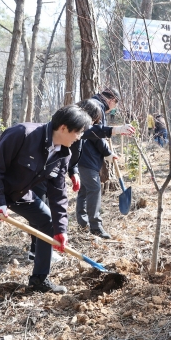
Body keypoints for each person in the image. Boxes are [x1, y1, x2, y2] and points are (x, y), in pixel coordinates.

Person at [0, 105, 91, 336]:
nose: (79, 137)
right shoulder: (22, 134)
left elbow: (58, 194)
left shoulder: (63, 153)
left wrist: (61, 230)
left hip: (19, 194)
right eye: (78, 132)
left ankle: (39, 278)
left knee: (47, 222)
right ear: (63, 127)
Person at [27, 99, 105, 261]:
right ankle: (36, 250)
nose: (92, 125)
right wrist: (118, 130)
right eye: (93, 120)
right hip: (39, 175)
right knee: (42, 213)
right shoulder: (69, 128)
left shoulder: (75, 133)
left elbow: (69, 156)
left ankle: (42, 251)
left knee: (47, 212)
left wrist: (72, 171)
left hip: (54, 173)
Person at [76, 88, 125, 239]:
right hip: (87, 156)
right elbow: (96, 135)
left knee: (85, 189)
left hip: (81, 154)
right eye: (115, 104)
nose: (114, 108)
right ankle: (96, 227)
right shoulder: (97, 108)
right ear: (111, 100)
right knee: (94, 188)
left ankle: (82, 222)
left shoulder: (90, 103)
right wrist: (107, 153)